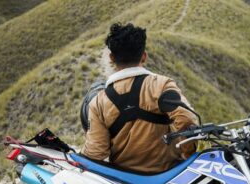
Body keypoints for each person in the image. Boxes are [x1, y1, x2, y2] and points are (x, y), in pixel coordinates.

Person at [81, 23, 198, 173]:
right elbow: (187, 121)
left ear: (111, 58)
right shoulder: (161, 85)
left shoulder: (98, 102)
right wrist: (188, 157)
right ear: (144, 56)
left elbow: (96, 152)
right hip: (170, 174)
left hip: (128, 183)